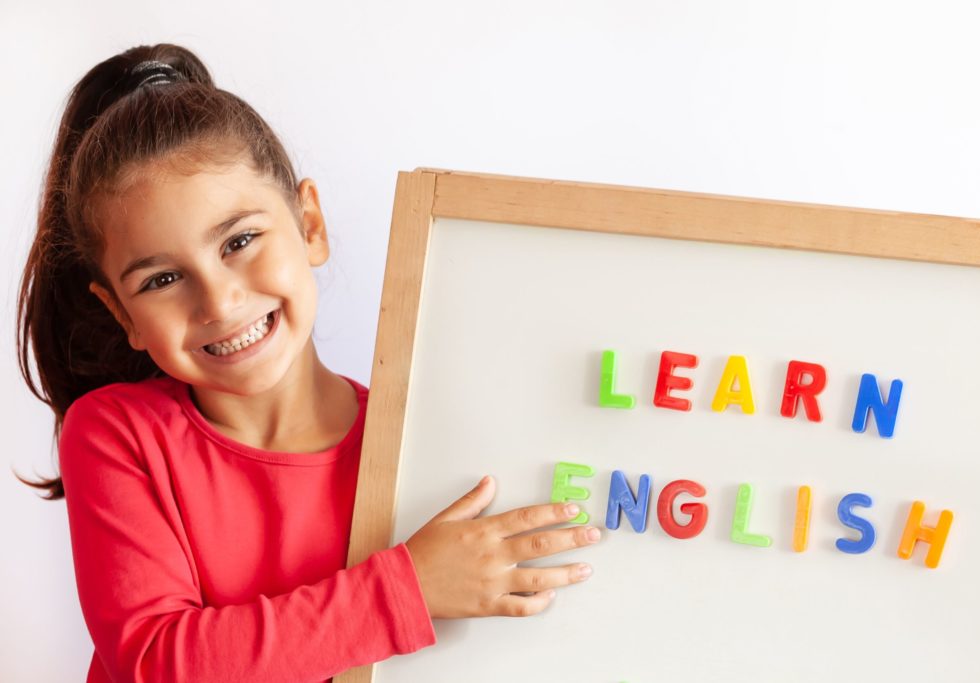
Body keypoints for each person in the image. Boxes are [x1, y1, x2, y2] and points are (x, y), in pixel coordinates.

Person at [15, 43, 599, 682]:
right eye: (160, 280)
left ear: (310, 224)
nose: (219, 300)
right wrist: (405, 591)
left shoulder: (409, 447)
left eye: (239, 241)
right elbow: (159, 662)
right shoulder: (115, 434)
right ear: (122, 314)